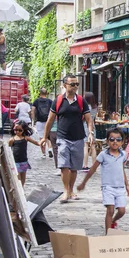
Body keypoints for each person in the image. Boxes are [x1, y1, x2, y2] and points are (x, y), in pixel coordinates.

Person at [40, 74, 95, 203]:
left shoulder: (81, 101)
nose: (75, 86)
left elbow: (88, 119)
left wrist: (91, 133)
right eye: (72, 84)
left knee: (74, 168)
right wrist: (44, 137)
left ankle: (71, 190)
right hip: (63, 137)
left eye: (77, 84)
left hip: (78, 137)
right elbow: (50, 120)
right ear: (65, 85)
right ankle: (66, 191)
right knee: (64, 165)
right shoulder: (58, 101)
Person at [77, 128, 129, 234]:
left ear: (122, 142)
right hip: (108, 187)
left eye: (118, 139)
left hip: (120, 187)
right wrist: (83, 183)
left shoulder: (123, 155)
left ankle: (113, 221)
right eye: (112, 139)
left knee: (121, 211)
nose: (115, 142)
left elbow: (122, 170)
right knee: (110, 209)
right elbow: (93, 168)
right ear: (107, 141)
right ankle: (108, 234)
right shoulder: (103, 155)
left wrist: (127, 185)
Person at [8, 121, 40, 186]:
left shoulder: (26, 138)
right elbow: (8, 149)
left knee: (23, 178)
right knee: (18, 177)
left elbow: (36, 143)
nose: (17, 132)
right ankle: (19, 189)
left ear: (23, 130)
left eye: (20, 130)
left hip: (24, 160)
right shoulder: (12, 139)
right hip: (15, 161)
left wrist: (43, 141)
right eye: (15, 130)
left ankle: (22, 189)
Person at [32, 88, 53, 156]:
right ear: (46, 93)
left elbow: (33, 110)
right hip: (48, 121)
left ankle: (44, 153)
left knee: (41, 137)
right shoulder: (50, 101)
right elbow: (53, 111)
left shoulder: (36, 101)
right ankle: (50, 148)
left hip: (39, 121)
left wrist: (33, 119)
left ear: (40, 93)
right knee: (48, 136)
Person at [82, 92, 99, 170]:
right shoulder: (95, 107)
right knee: (93, 146)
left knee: (85, 146)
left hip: (86, 125)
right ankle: (94, 166)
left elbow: (84, 117)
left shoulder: (86, 107)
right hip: (93, 126)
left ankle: (85, 165)